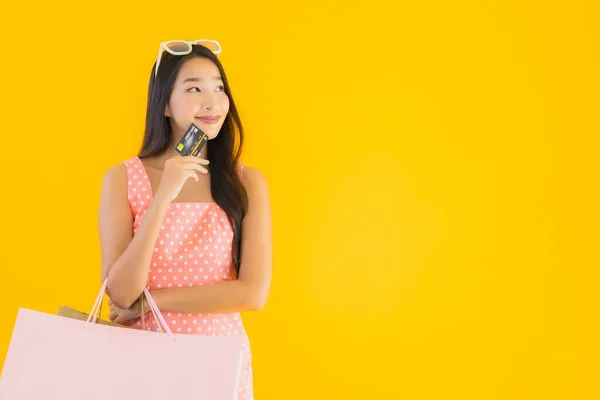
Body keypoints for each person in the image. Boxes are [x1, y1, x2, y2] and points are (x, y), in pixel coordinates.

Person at [98, 40, 272, 399]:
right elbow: (119, 292)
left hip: (220, 363)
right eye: (194, 88)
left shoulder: (246, 182)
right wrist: (163, 196)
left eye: (218, 87)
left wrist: (150, 302)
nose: (211, 102)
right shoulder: (123, 178)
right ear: (163, 103)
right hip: (140, 365)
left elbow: (253, 293)